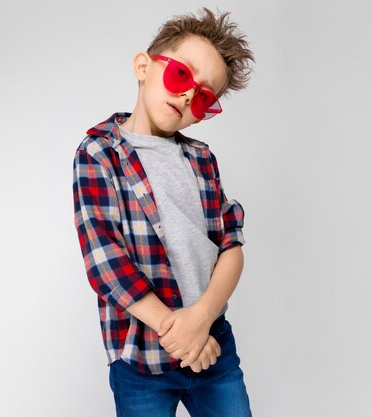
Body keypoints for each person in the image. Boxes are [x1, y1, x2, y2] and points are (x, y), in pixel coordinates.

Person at [72, 7, 255, 417]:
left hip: (212, 348)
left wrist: (202, 320)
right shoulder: (99, 153)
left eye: (205, 97)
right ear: (143, 66)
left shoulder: (202, 159)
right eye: (181, 76)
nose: (190, 95)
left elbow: (231, 245)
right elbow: (104, 259)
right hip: (141, 357)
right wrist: (179, 332)